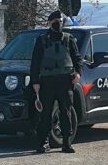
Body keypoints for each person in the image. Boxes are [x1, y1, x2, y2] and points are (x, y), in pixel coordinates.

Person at [30, 10, 83, 154]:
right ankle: (43, 143)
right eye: (55, 22)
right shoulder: (42, 40)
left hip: (65, 81)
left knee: (66, 112)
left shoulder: (69, 38)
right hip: (47, 81)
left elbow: (77, 58)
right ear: (49, 23)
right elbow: (35, 62)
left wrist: (78, 73)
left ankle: (67, 143)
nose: (58, 24)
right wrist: (35, 82)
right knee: (45, 114)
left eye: (60, 22)